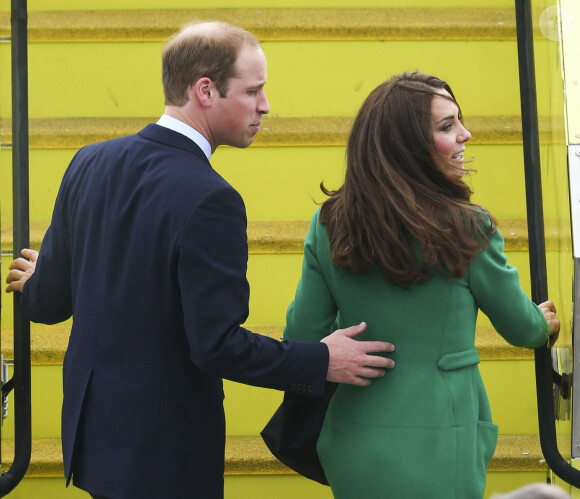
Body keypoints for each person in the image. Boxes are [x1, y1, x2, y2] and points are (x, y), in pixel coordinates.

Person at [4, 21, 396, 499]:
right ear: (205, 90)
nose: (265, 105)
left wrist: (37, 277)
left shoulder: (89, 161)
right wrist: (322, 360)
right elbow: (217, 346)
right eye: (253, 91)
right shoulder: (213, 198)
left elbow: (47, 305)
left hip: (95, 443)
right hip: (167, 456)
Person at [282, 72, 560, 498]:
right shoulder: (468, 226)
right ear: (408, 146)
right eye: (447, 126)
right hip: (442, 441)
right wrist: (544, 325)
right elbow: (523, 329)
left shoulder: (329, 223)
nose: (465, 134)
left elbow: (302, 338)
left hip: (354, 441)